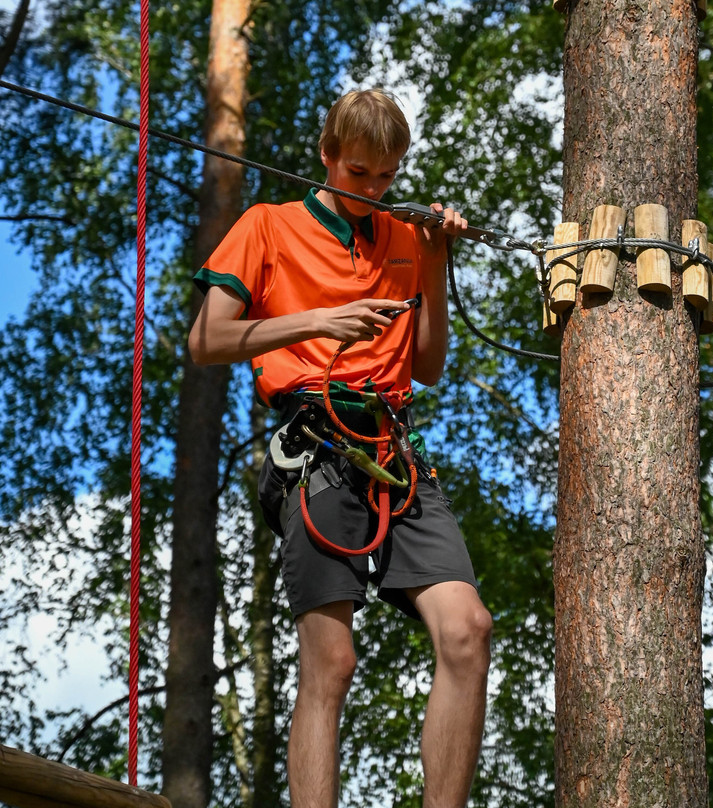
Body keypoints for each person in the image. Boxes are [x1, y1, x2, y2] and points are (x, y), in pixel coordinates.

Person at [188, 89, 492, 808]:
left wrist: (435, 259)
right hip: (316, 445)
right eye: (360, 174)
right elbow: (206, 341)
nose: (375, 190)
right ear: (327, 155)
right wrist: (319, 320)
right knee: (332, 659)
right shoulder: (267, 226)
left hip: (392, 448)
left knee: (468, 632)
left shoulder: (403, 235)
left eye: (389, 176)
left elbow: (427, 367)